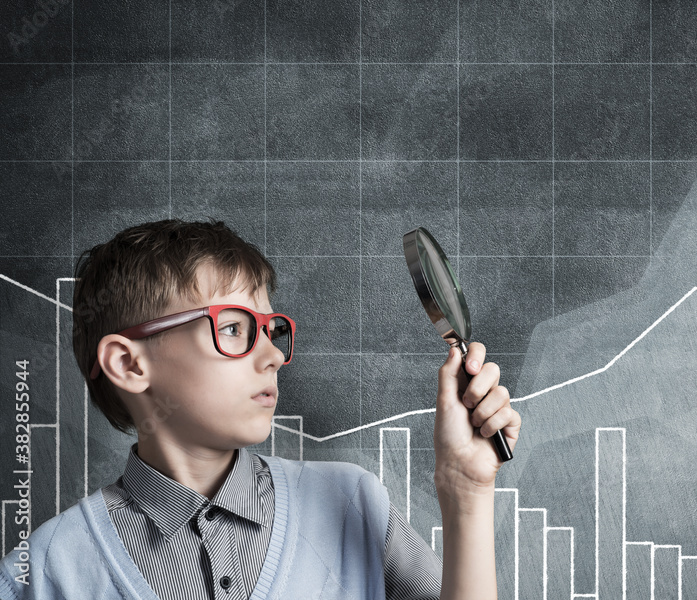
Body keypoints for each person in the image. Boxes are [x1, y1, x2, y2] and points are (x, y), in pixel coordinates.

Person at [0, 219, 521, 599]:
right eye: (233, 328)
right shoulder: (45, 572)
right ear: (129, 364)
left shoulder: (352, 502)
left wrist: (466, 492)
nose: (272, 355)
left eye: (271, 331)